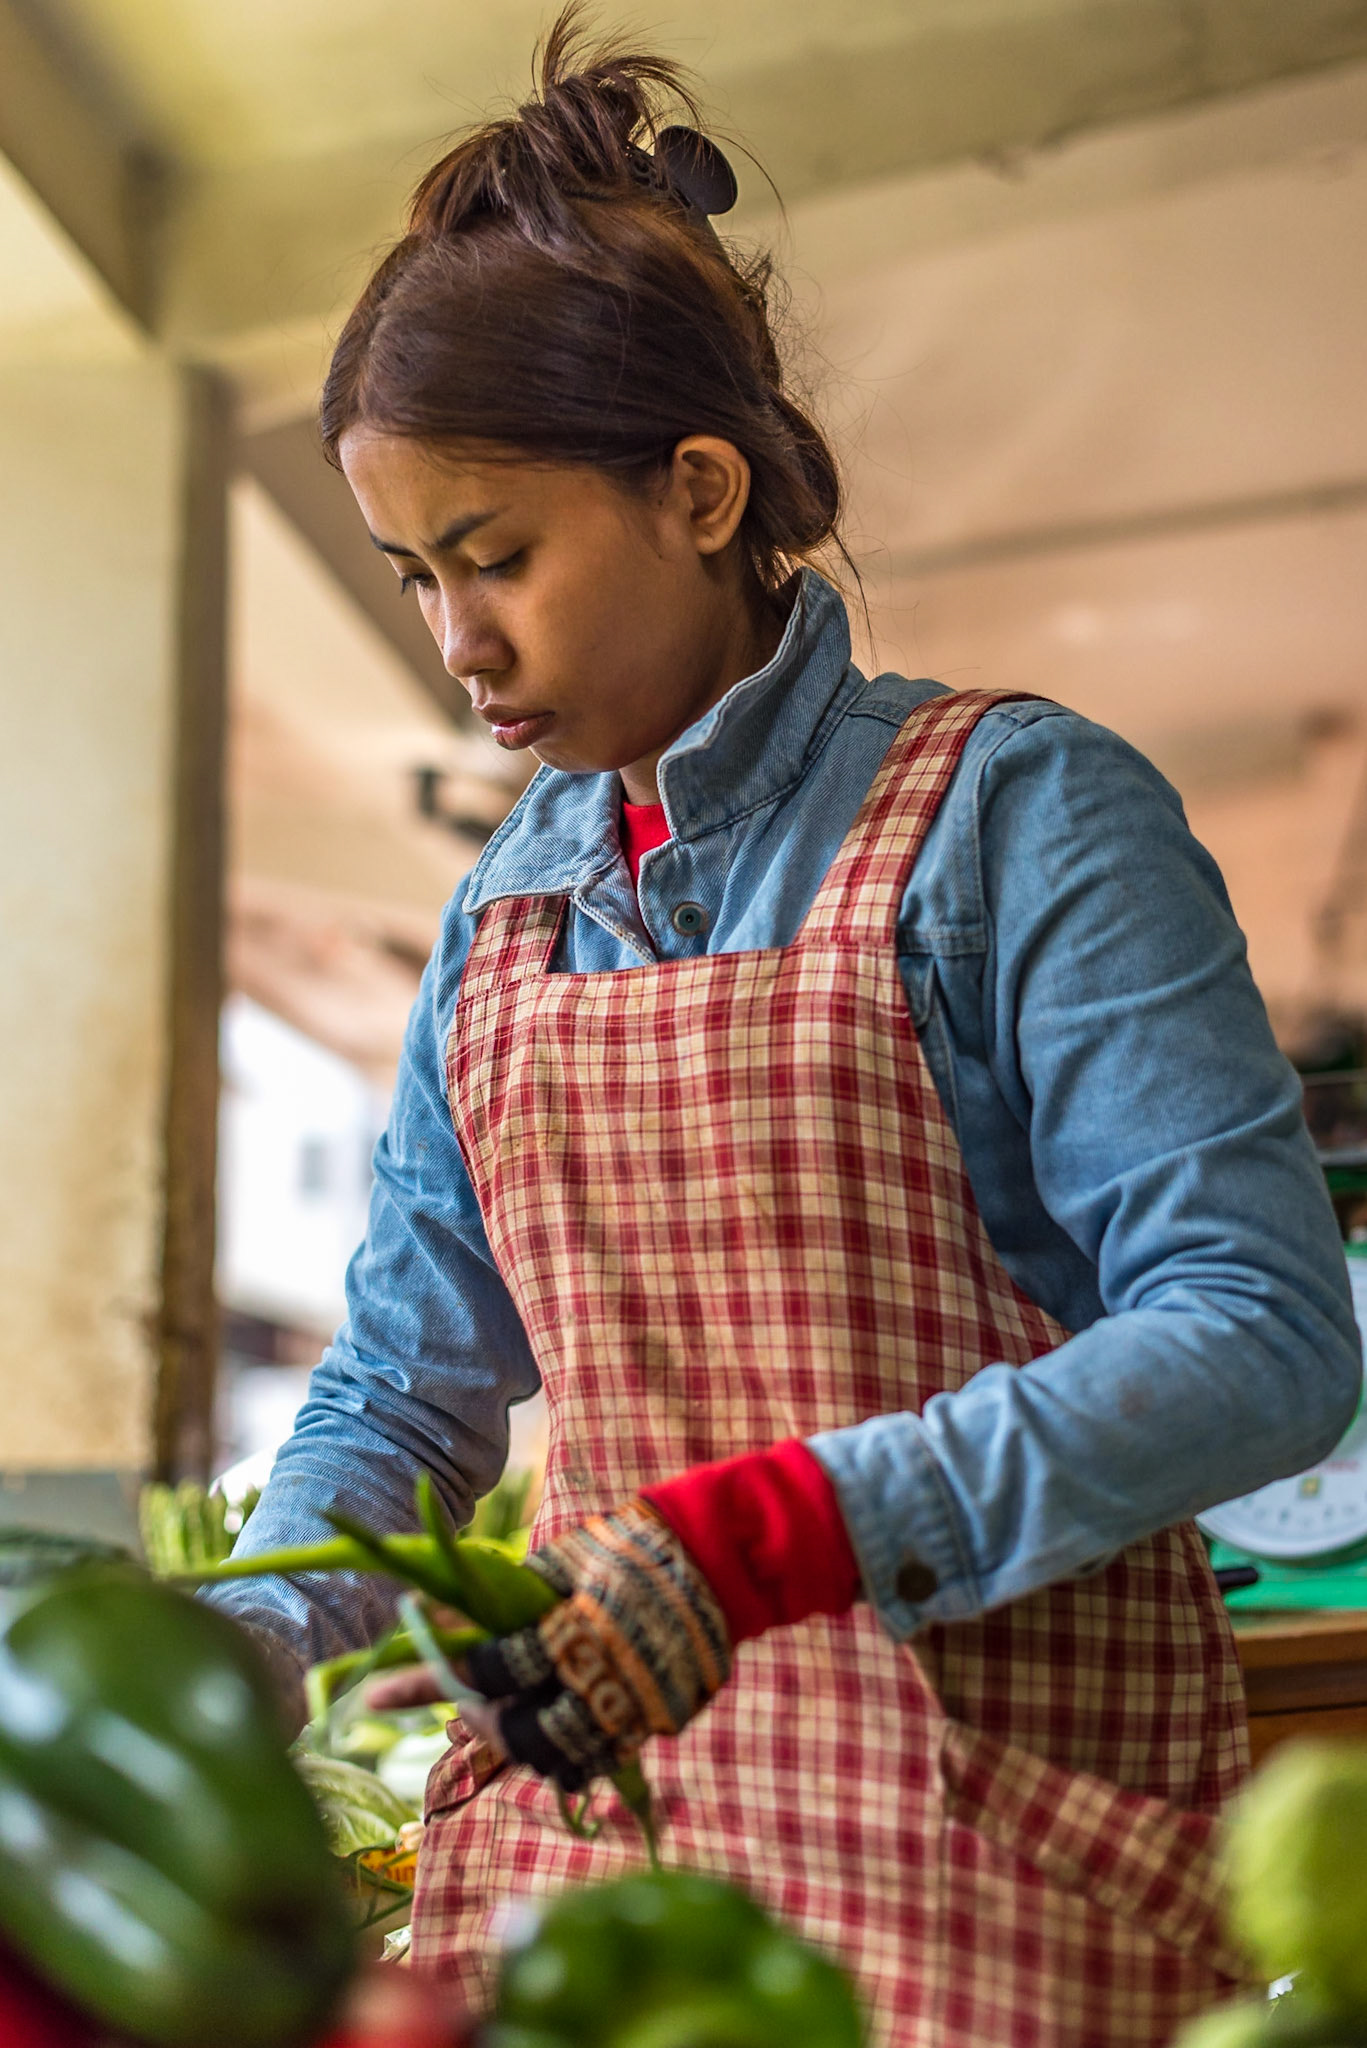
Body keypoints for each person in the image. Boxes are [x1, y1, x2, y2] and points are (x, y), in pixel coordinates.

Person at [205, 12, 1362, 2043]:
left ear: (702, 489)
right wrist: (229, 1639)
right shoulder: (501, 915)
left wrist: (771, 1536)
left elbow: (1259, 1333)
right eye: (412, 578)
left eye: (497, 560)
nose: (457, 645)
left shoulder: (1017, 813)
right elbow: (403, 1389)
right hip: (599, 1872)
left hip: (996, 1855)